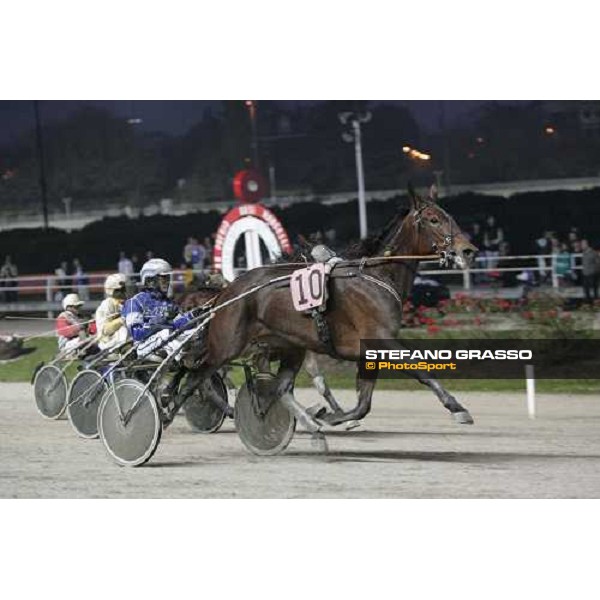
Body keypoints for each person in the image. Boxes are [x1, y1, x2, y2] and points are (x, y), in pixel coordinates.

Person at [122, 258, 197, 360]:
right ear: (150, 280)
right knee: (165, 333)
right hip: (142, 347)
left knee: (195, 332)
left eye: (168, 278)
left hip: (165, 343)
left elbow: (175, 326)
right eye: (163, 278)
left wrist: (191, 316)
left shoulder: (168, 302)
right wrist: (161, 320)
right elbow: (136, 334)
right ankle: (185, 360)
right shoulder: (134, 302)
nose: (167, 281)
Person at [95, 274, 129, 351]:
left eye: (124, 290)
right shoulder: (106, 305)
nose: (124, 293)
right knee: (124, 330)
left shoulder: (126, 303)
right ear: (112, 291)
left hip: (124, 340)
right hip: (109, 342)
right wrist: (122, 319)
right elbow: (105, 331)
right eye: (120, 290)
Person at [581, 239, 600, 305]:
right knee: (586, 290)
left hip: (593, 274)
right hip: (586, 274)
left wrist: (595, 272)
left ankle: (596, 304)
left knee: (595, 290)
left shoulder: (594, 253)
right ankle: (589, 304)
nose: (582, 245)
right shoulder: (584, 253)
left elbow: (598, 263)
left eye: (583, 244)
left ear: (587, 244)